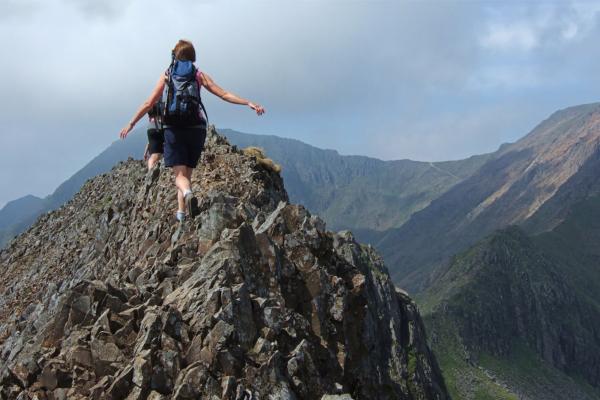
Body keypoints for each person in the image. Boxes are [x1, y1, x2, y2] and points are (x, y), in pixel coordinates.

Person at [119, 39, 265, 222]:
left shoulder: (168, 74)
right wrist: (248, 103)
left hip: (174, 128)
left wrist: (131, 124)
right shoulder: (198, 75)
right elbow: (224, 94)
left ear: (175, 55)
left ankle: (188, 193)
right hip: (197, 129)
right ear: (192, 56)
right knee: (187, 173)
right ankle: (182, 214)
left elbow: (149, 103)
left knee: (179, 177)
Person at [144, 103, 164, 170]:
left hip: (150, 128)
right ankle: (151, 172)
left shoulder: (151, 107)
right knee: (156, 154)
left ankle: (151, 170)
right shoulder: (159, 106)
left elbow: (150, 141)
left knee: (154, 154)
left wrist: (145, 152)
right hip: (158, 125)